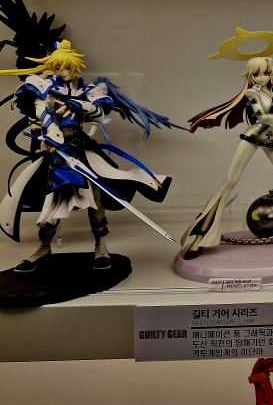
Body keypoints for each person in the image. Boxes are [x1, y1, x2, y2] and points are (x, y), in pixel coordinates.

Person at [0, 40, 171, 271]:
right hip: (57, 150)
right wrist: (51, 130)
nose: (64, 72)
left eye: (68, 67)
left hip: (80, 148)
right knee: (52, 199)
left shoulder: (87, 89)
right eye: (58, 67)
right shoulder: (43, 86)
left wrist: (83, 106)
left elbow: (100, 114)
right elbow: (41, 110)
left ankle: (101, 246)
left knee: (95, 196)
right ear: (51, 67)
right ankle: (43, 248)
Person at [182, 55, 273, 259]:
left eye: (266, 73)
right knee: (229, 182)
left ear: (272, 74)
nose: (261, 77)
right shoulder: (252, 93)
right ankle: (200, 239)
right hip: (252, 137)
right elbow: (262, 117)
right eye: (256, 74)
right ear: (250, 76)